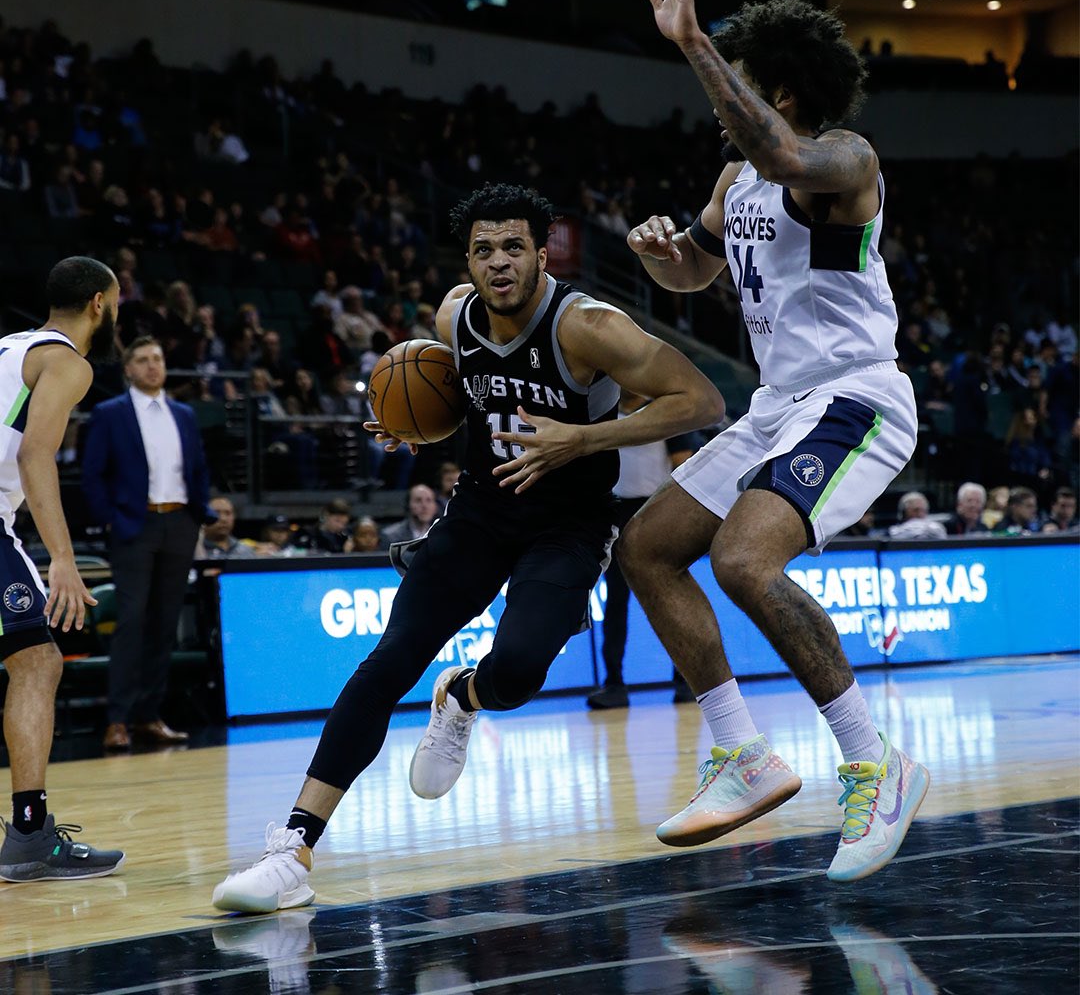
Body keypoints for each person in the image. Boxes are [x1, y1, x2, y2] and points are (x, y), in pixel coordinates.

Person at [211, 181, 723, 913]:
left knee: (516, 672)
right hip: (480, 512)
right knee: (389, 661)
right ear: (468, 261)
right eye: (484, 250)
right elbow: (467, 399)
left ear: (542, 255)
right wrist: (412, 425)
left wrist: (582, 438)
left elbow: (701, 400)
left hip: (569, 525)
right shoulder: (454, 316)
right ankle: (292, 848)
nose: (499, 262)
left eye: (514, 246)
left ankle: (462, 696)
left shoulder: (588, 327)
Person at [616, 0, 929, 885]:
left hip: (856, 394)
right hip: (778, 404)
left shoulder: (845, 158)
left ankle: (875, 761)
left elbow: (783, 151)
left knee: (743, 560)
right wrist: (665, 256)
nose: (723, 103)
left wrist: (692, 41)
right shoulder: (734, 179)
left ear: (781, 91)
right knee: (647, 548)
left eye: (742, 81)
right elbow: (702, 268)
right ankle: (742, 752)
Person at [0, 256, 125, 881]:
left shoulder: (9, 347)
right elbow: (35, 454)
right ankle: (29, 836)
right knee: (38, 661)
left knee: (30, 660)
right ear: (99, 303)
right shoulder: (67, 361)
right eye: (117, 301)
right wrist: (65, 560)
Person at [82, 336, 215, 751]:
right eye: (142, 359)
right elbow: (92, 474)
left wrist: (199, 512)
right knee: (132, 621)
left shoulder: (184, 414)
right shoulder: (109, 413)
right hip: (134, 525)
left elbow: (198, 467)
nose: (152, 365)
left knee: (164, 624)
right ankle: (117, 719)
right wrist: (110, 519)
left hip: (179, 522)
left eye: (157, 358)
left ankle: (148, 716)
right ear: (128, 369)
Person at [586, 391, 698, 709]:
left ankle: (686, 679)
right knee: (616, 602)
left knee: (670, 598)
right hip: (616, 512)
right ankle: (614, 684)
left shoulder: (664, 411)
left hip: (656, 510)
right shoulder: (604, 412)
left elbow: (684, 464)